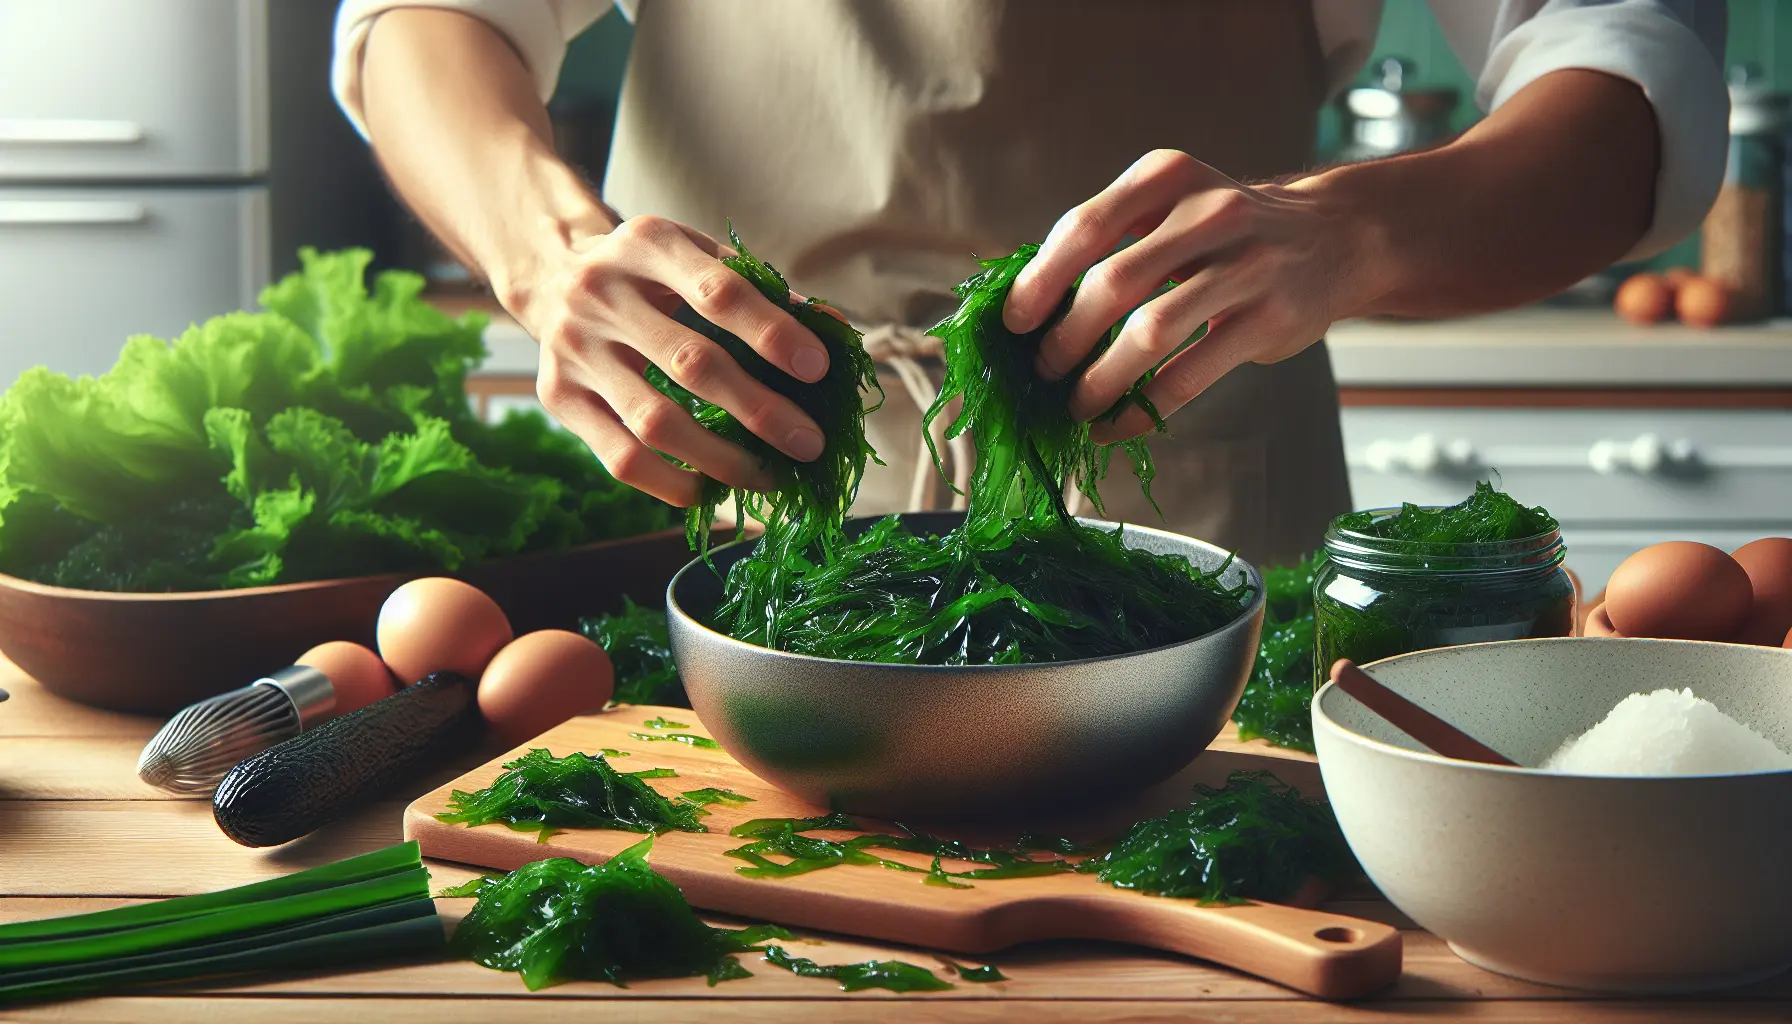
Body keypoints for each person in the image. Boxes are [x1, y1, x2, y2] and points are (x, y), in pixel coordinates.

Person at [332, 0, 1727, 566]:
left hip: (1191, 512)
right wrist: (550, 252)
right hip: (725, 487)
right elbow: (425, 18)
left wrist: (1345, 228)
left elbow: (1627, 64)